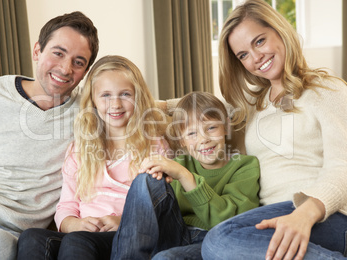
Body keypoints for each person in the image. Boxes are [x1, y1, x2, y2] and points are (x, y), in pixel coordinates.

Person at [201, 0, 347, 260]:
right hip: (269, 219)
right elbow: (199, 109)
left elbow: (344, 167)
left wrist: (303, 215)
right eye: (243, 55)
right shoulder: (252, 106)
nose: (255, 57)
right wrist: (143, 103)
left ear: (279, 30)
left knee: (217, 241)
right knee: (169, 257)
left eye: (259, 41)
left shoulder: (327, 89)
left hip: (331, 216)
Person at [0, 11, 99, 259]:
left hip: (0, 233)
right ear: (37, 51)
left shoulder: (88, 113)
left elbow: (142, 105)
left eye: (78, 62)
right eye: (58, 53)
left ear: (85, 71)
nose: (65, 68)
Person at [17, 55, 170, 260]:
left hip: (128, 235)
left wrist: (123, 221)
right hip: (84, 232)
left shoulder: (153, 146)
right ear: (93, 101)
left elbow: (160, 204)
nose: (115, 104)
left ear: (138, 98)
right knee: (32, 237)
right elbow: (66, 205)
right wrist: (74, 223)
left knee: (77, 241)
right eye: (105, 95)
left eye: (125, 94)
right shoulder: (80, 149)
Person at [111, 91, 260, 259]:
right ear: (182, 141)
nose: (203, 139)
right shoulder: (179, 164)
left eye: (211, 128)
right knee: (146, 179)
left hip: (211, 241)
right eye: (192, 134)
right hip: (174, 233)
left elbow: (232, 222)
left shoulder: (245, 166)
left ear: (225, 127)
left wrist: (184, 176)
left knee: (164, 258)